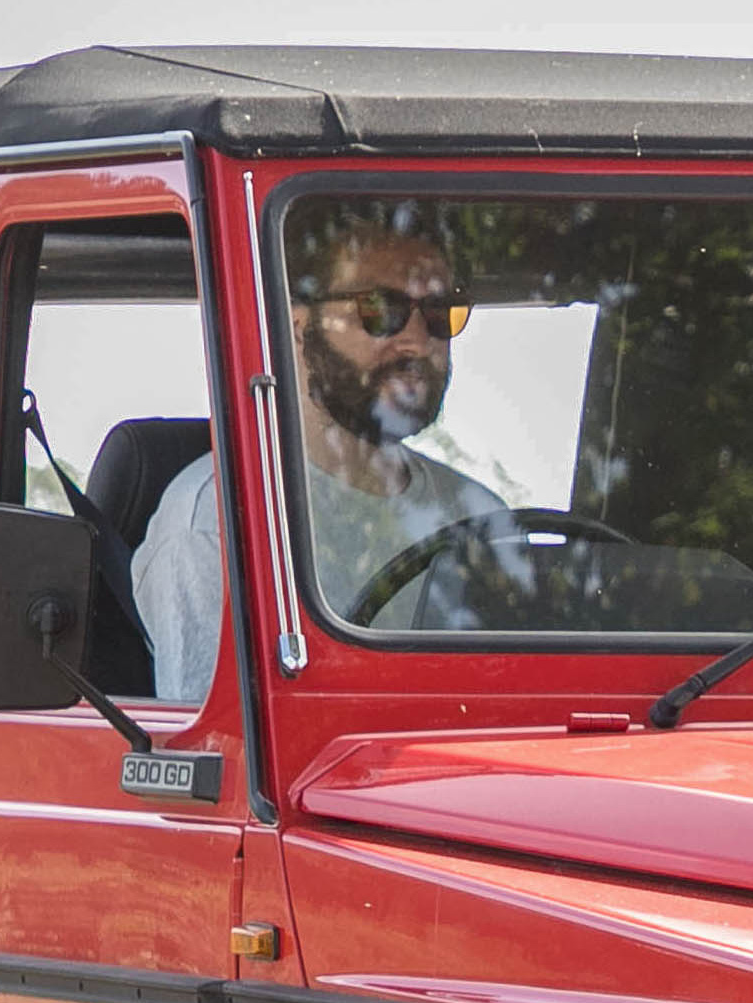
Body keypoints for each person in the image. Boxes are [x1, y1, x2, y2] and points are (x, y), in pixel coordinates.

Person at [132, 205, 508, 701]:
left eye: (440, 313)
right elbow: (221, 756)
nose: (416, 339)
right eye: (380, 311)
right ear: (299, 324)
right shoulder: (216, 525)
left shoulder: (478, 513)